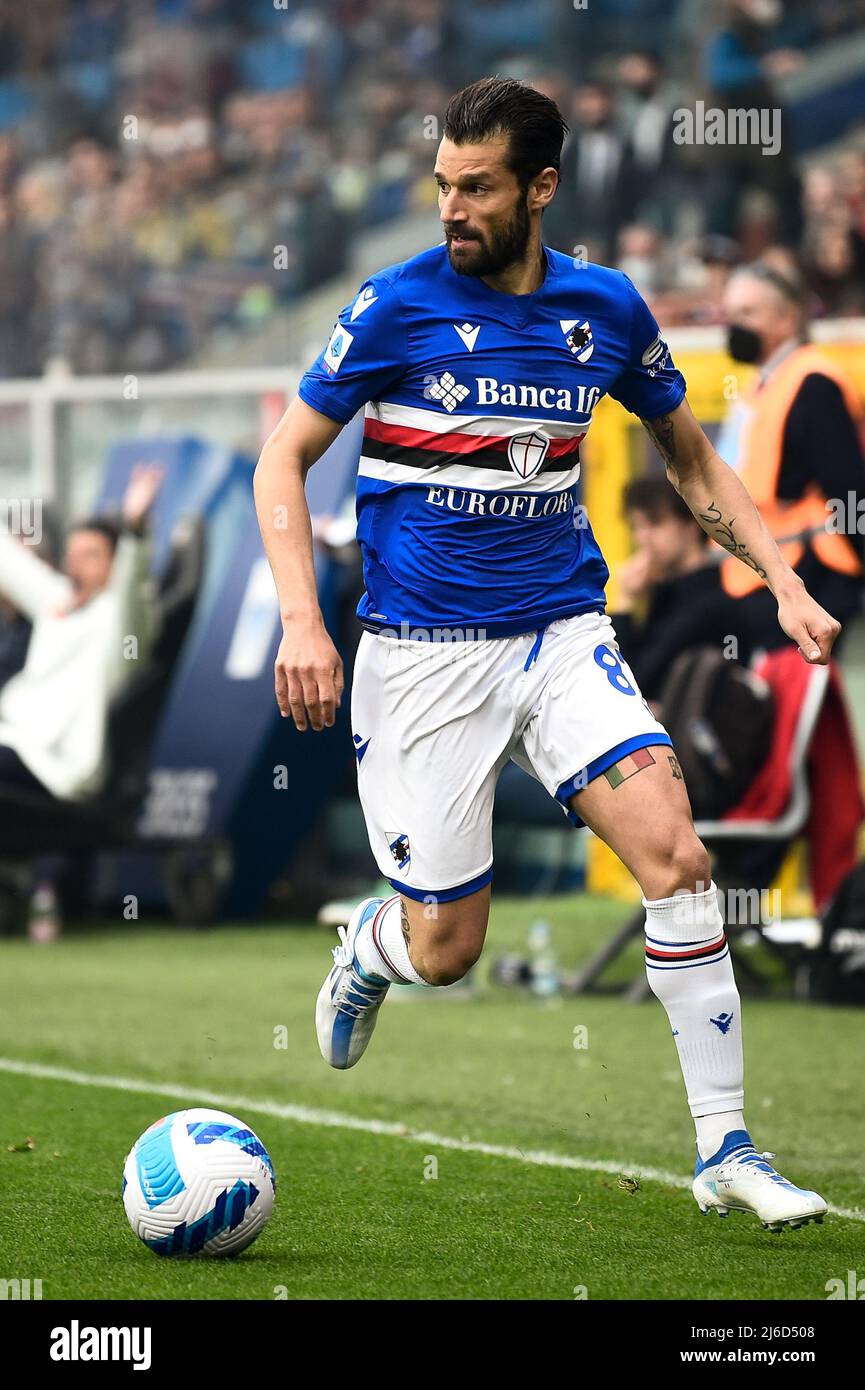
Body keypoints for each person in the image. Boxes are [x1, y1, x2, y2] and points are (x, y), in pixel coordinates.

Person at [255, 78, 839, 1231]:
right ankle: (373, 947)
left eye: (475, 188)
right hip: (422, 659)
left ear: (540, 186)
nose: (451, 209)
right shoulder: (390, 308)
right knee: (448, 946)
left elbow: (689, 459)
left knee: (676, 853)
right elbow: (283, 462)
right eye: (441, 186)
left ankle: (724, 1144)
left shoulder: (607, 310)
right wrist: (300, 619)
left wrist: (780, 578)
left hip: (562, 636)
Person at [719, 261, 865, 650]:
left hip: (811, 572)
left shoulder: (814, 383)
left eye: (747, 313)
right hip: (762, 569)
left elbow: (847, 486)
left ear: (786, 317)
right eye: (730, 314)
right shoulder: (761, 383)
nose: (734, 325)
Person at [0, 464, 163, 807]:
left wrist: (134, 528)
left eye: (90, 556)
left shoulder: (122, 621)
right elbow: (9, 561)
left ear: (115, 563)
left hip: (54, 767)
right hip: (13, 740)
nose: (76, 566)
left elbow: (131, 589)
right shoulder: (58, 602)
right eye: (71, 557)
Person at [612, 476, 757, 704]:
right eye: (636, 527)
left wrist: (625, 601)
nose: (642, 538)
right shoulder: (668, 593)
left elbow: (629, 684)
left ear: (692, 524)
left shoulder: (708, 606)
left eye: (655, 523)